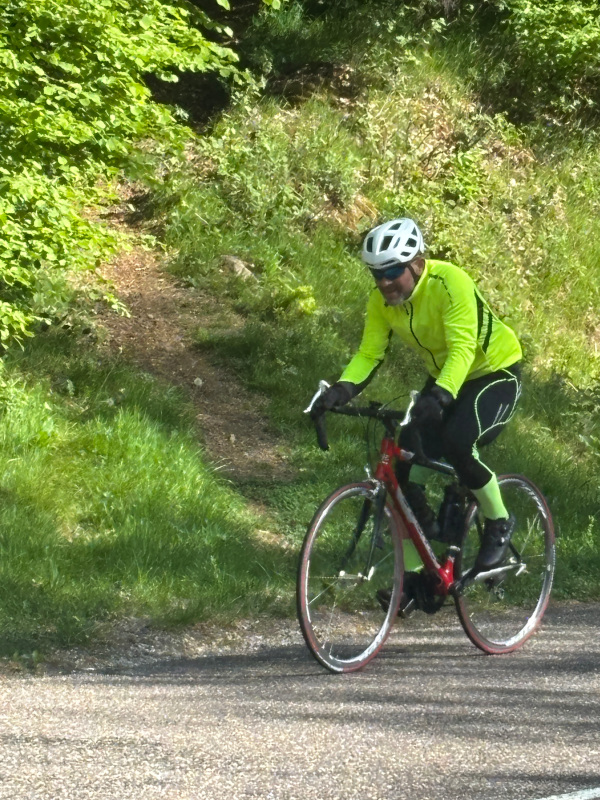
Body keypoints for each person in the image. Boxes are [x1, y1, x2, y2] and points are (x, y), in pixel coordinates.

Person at [310, 218, 522, 610]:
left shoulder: (449, 282)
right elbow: (369, 353)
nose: (384, 282)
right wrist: (340, 390)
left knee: (459, 442)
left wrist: (441, 395)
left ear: (417, 263)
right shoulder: (380, 302)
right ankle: (414, 577)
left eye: (393, 271)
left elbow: (462, 347)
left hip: (494, 373)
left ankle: (499, 521)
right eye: (377, 274)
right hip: (445, 378)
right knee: (403, 470)